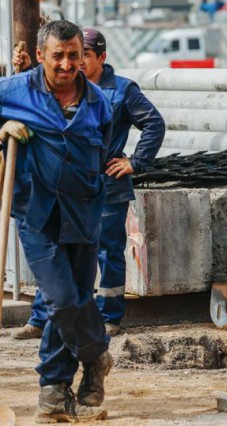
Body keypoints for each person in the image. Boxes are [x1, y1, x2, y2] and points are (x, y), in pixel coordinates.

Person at [10, 28, 165, 340]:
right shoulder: (59, 89)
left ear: (100, 58)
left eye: (82, 56)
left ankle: (109, 316)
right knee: (55, 254)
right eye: (69, 57)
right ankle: (43, 318)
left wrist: (135, 162)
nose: (75, 64)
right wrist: (27, 71)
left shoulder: (120, 91)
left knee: (107, 251)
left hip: (105, 186)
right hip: (60, 189)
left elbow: (154, 123)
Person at [0, 20, 113, 422]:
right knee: (64, 298)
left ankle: (54, 392)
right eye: (58, 56)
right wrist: (2, 127)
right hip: (38, 214)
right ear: (42, 55)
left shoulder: (98, 101)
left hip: (84, 213)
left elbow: (101, 155)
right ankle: (96, 354)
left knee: (67, 302)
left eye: (74, 55)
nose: (67, 64)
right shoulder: (13, 92)